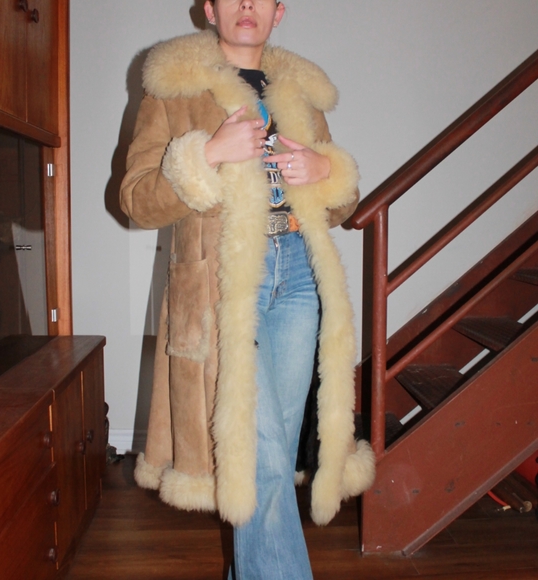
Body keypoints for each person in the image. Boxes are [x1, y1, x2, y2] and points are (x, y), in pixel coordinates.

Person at [120, 1, 375, 577]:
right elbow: (135, 199)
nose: (246, 5)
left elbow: (341, 205)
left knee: (270, 454)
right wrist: (208, 154)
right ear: (209, 8)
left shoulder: (302, 90)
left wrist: (325, 172)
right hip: (223, 283)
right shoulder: (173, 84)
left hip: (299, 276)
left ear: (278, 12)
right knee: (261, 459)